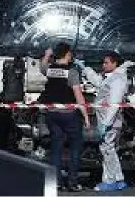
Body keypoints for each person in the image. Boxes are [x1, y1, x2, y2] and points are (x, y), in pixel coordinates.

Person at [74, 50, 129, 191]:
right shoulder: (112, 77)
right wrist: (85, 68)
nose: (103, 65)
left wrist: (106, 123)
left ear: (115, 63)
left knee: (107, 150)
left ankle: (109, 181)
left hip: (110, 121)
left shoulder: (118, 80)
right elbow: (98, 82)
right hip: (108, 120)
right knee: (111, 149)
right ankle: (118, 178)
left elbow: (114, 103)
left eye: (106, 62)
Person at [39, 42, 90, 192]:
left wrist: (47, 55)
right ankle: (72, 182)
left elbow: (42, 67)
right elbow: (78, 95)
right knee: (75, 148)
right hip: (69, 115)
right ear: (67, 54)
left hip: (53, 114)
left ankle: (56, 182)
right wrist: (85, 115)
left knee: (56, 148)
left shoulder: (50, 69)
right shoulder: (72, 72)